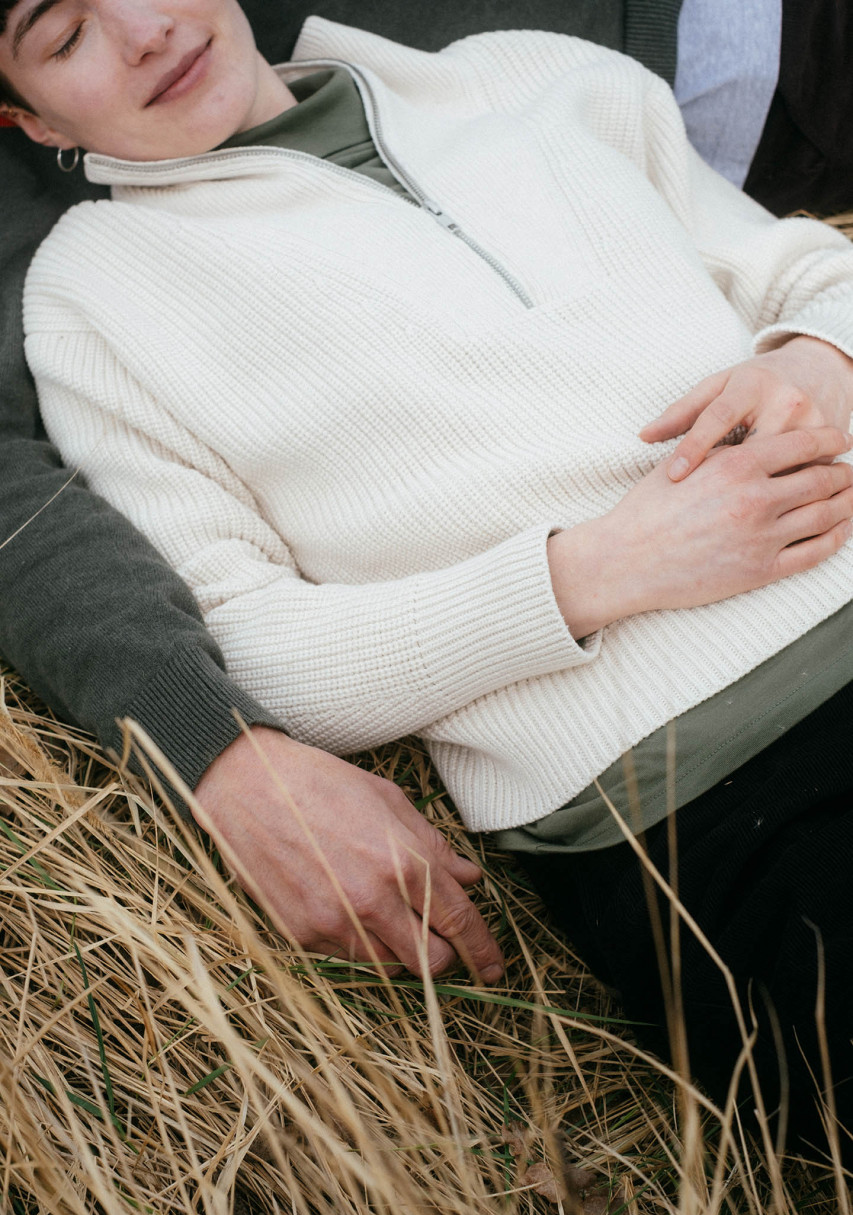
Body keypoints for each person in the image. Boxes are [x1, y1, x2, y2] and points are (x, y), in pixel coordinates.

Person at [3, 0, 853, 1154]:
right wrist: (593, 573)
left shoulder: (529, 76)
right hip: (704, 790)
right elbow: (256, 649)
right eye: (64, 38)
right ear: (30, 117)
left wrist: (816, 360)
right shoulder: (91, 301)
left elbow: (807, 270)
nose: (145, 30)